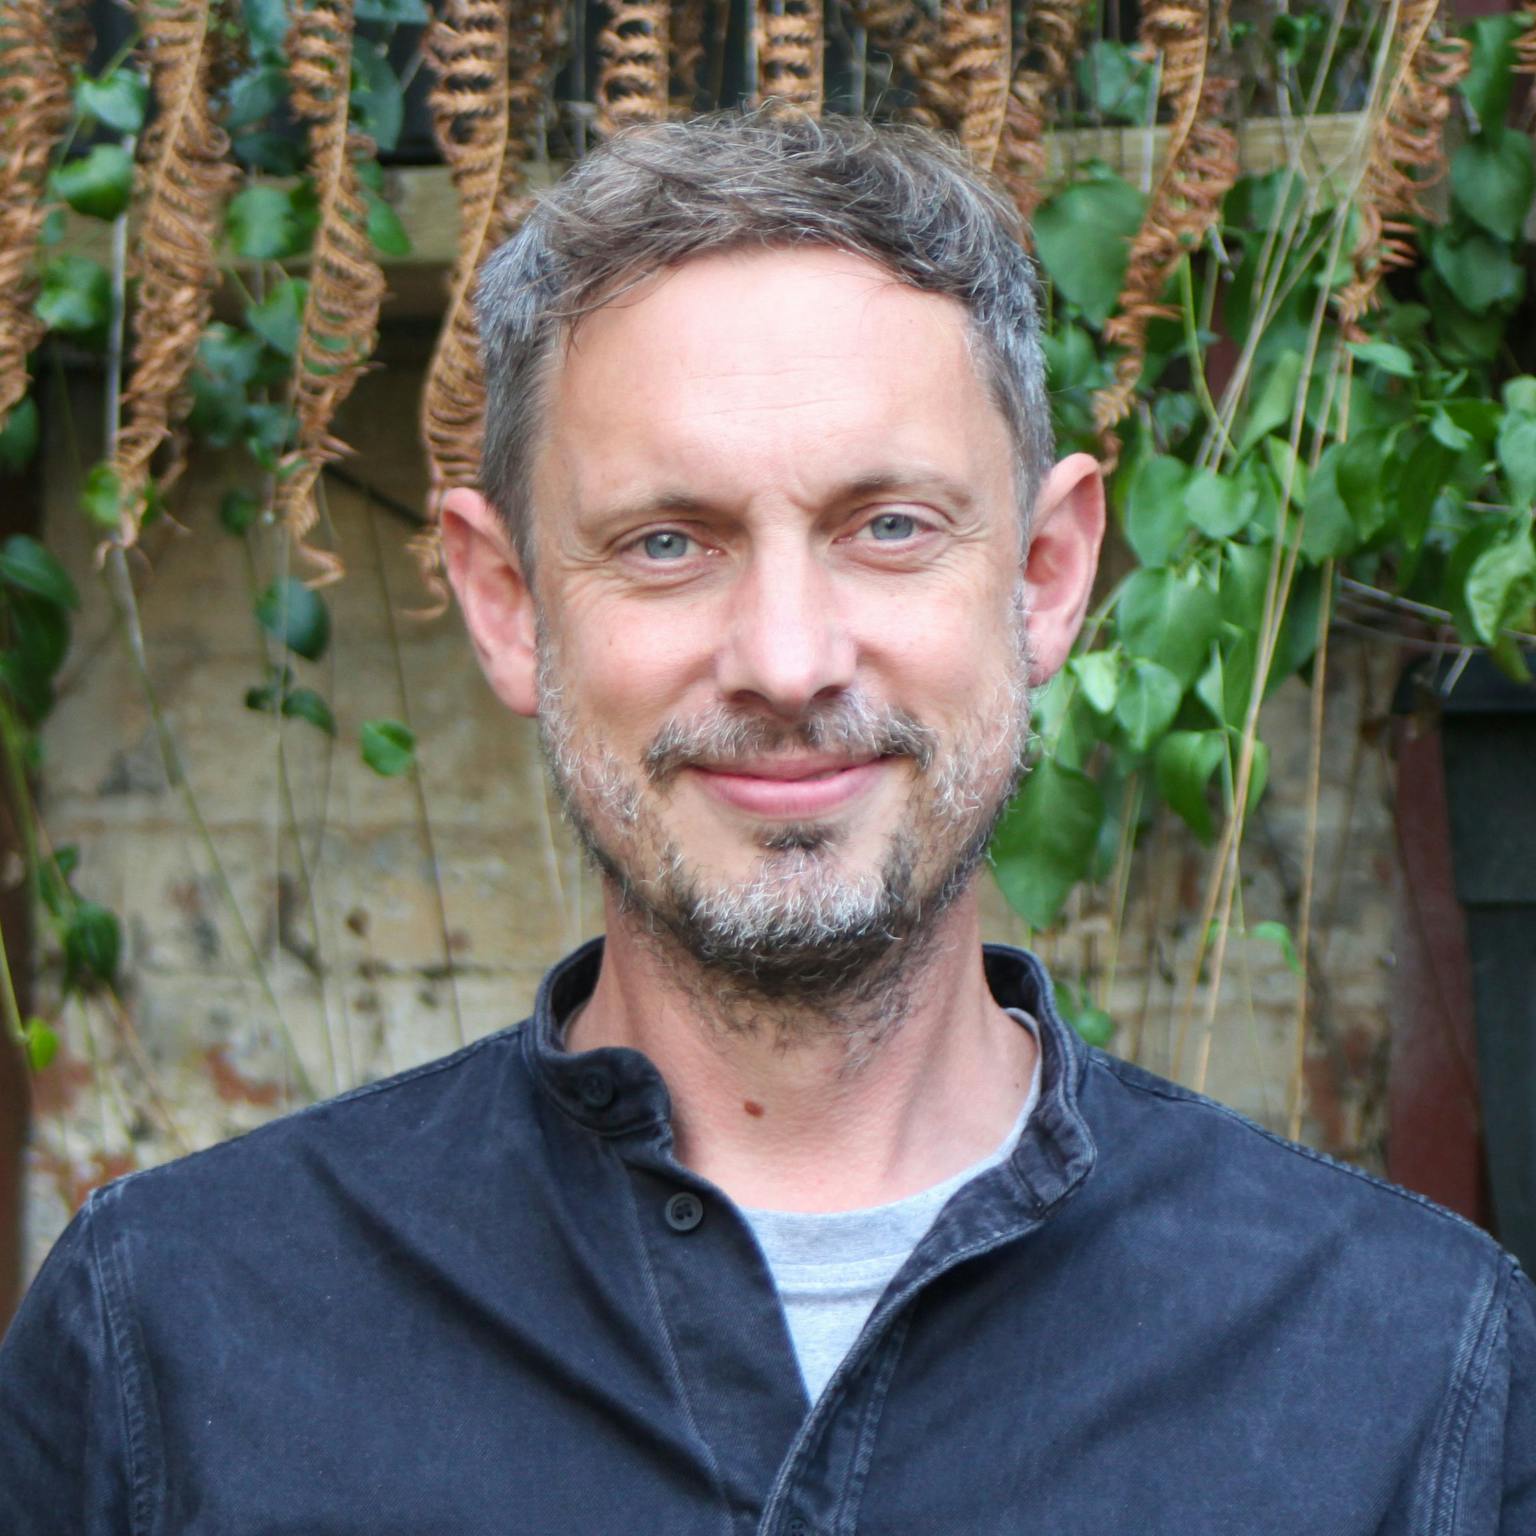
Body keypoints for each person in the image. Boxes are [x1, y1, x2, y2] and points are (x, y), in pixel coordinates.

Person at [2, 111, 1533, 1534]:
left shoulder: (1407, 1365)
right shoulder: (174, 1339)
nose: (789, 660)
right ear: (509, 604)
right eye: (668, 543)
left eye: (890, 528)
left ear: (1050, 574)